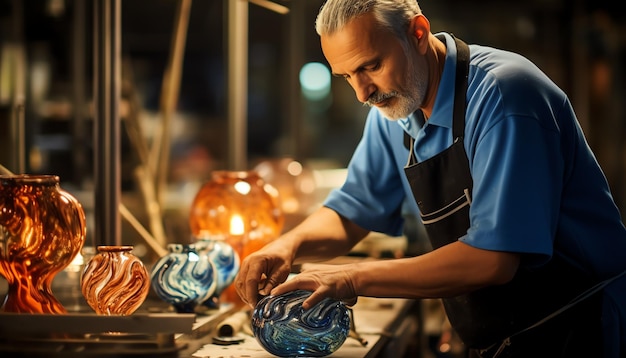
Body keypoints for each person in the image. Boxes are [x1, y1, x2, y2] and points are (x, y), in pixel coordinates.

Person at [234, 1, 626, 357]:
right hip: (503, 333)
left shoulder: (504, 96)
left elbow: (493, 260)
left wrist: (350, 278)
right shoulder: (394, 110)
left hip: (582, 324)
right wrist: (286, 246)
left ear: (418, 34)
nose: (361, 93)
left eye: (371, 66)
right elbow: (352, 212)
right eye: (346, 76)